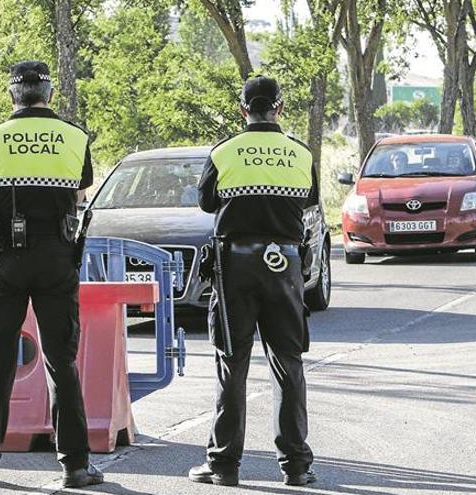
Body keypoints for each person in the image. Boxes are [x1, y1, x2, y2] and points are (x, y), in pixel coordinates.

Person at [0, 61, 103, 489]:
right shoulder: (74, 137)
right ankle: (75, 467)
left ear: (11, 96)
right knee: (62, 362)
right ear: (50, 94)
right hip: (57, 259)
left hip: (5, 260)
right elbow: (80, 192)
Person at [190, 75, 318, 487]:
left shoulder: (224, 152)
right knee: (289, 364)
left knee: (232, 365)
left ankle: (224, 466)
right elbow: (310, 201)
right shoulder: (300, 154)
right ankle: (296, 467)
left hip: (236, 269)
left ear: (242, 109)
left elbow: (207, 202)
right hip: (286, 266)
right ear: (280, 109)